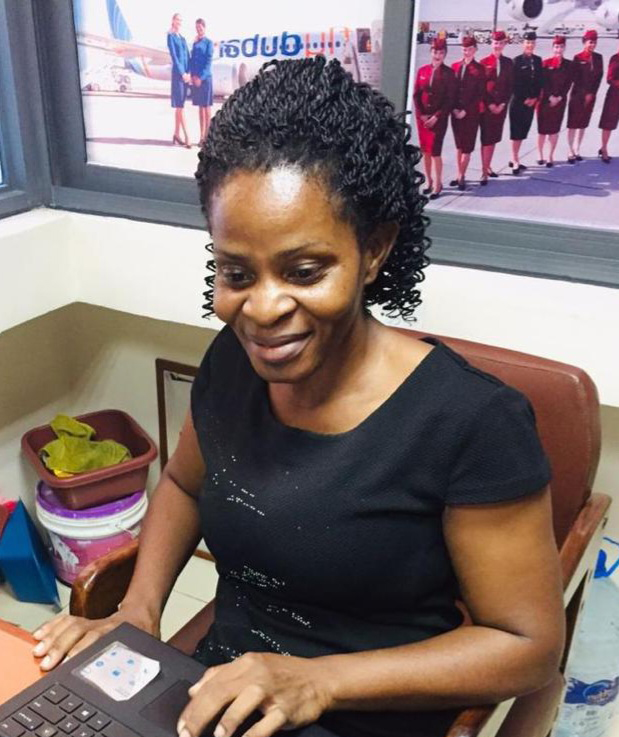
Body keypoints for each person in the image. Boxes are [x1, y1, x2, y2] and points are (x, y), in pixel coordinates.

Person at [32, 57, 564, 737]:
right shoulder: (232, 362)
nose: (262, 309)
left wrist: (316, 680)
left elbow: (526, 646)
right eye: (235, 273)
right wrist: (138, 611)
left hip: (370, 710)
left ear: (374, 250)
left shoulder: (470, 421)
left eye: (304, 271)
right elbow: (186, 484)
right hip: (223, 692)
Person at [413, 38, 455, 200]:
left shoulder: (449, 73)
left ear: (445, 54)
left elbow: (449, 100)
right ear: (431, 52)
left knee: (436, 152)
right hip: (423, 119)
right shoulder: (422, 71)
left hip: (439, 119)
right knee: (426, 151)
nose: (438, 55)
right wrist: (422, 115)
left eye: (441, 52)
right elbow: (416, 95)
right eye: (435, 52)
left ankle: (438, 184)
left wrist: (436, 117)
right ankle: (429, 181)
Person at [450, 36, 485, 190]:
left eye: (470, 49)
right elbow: (450, 91)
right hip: (455, 113)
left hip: (470, 114)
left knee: (467, 147)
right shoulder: (455, 67)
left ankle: (461, 176)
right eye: (464, 49)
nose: (467, 52)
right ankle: (459, 173)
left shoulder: (479, 69)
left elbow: (480, 94)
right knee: (459, 146)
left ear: (475, 50)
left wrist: (465, 110)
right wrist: (454, 109)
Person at [479, 30, 514, 184]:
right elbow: (481, 87)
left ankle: (488, 166)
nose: (497, 45)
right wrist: (490, 104)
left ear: (504, 44)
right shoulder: (483, 62)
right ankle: (483, 171)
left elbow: (510, 86)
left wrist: (503, 104)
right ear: (491, 43)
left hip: (501, 107)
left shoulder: (508, 63)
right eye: (495, 43)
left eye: (500, 43)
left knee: (493, 138)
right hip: (487, 108)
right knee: (486, 139)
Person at [566, 29, 604, 163]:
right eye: (590, 42)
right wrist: (584, 94)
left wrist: (592, 94)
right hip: (577, 95)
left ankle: (577, 149)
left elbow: (599, 78)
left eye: (594, 42)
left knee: (583, 123)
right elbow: (574, 78)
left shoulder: (598, 58)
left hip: (590, 97)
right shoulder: (578, 58)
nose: (592, 44)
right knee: (572, 124)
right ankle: (570, 150)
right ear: (584, 42)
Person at [509, 31, 543, 174]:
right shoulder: (516, 61)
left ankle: (514, 157)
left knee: (523, 132)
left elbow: (539, 82)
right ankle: (515, 159)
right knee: (516, 132)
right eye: (528, 42)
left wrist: (535, 98)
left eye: (532, 43)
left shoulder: (538, 60)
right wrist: (525, 99)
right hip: (518, 102)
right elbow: (514, 84)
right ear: (523, 44)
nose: (530, 45)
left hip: (531, 103)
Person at [537, 35, 573, 167]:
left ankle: (550, 156)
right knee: (542, 130)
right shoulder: (545, 64)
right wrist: (550, 97)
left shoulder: (569, 65)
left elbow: (568, 83)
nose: (559, 49)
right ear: (553, 48)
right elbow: (542, 83)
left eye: (561, 47)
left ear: (565, 48)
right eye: (556, 47)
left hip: (560, 102)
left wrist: (560, 97)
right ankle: (540, 154)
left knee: (554, 130)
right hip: (544, 101)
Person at [167, 12, 191, 148]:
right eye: (177, 19)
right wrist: (182, 73)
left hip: (186, 75)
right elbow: (174, 57)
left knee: (179, 107)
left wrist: (189, 72)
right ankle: (187, 137)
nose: (179, 22)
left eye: (181, 20)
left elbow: (187, 56)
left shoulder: (182, 38)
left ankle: (176, 134)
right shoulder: (170, 36)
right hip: (178, 76)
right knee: (180, 107)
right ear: (173, 21)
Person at [190, 18, 215, 146]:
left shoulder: (209, 43)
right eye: (197, 28)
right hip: (196, 79)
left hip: (205, 79)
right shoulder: (195, 43)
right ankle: (201, 137)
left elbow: (208, 62)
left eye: (200, 27)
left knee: (206, 108)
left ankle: (207, 137)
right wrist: (193, 76)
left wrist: (201, 77)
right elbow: (193, 60)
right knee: (200, 108)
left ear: (204, 28)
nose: (198, 30)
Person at [598, 46, 619, 163]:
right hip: (615, 96)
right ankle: (604, 148)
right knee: (608, 123)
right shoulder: (615, 59)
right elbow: (609, 78)